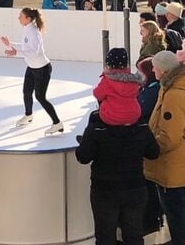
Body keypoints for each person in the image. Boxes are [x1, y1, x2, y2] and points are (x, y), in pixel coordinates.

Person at [75, 88, 159, 245]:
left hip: (105, 190)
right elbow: (153, 153)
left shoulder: (97, 128)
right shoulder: (141, 127)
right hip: (135, 188)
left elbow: (83, 157)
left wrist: (86, 140)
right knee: (134, 234)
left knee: (105, 235)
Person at [1, 8, 63, 135]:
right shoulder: (27, 29)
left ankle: (57, 123)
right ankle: (28, 115)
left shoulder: (34, 32)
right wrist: (10, 44)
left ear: (28, 19)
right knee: (26, 92)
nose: (18, 18)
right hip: (32, 67)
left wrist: (16, 52)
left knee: (40, 96)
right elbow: (25, 47)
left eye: (21, 16)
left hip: (42, 69)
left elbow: (33, 52)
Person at [144, 50, 185, 242]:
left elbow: (169, 136)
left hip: (172, 171)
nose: (152, 69)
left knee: (176, 217)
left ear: (163, 70)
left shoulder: (173, 95)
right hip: (176, 167)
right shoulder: (170, 88)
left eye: (155, 66)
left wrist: (152, 149)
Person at [136, 57, 165, 237]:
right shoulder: (150, 89)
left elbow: (139, 110)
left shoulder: (152, 91)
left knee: (150, 188)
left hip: (150, 144)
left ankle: (153, 222)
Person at [93, 48, 142, 127]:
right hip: (133, 115)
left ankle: (86, 138)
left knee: (93, 117)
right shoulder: (133, 80)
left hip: (111, 116)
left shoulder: (107, 80)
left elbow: (97, 94)